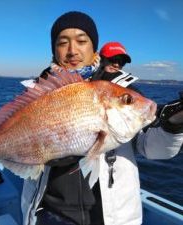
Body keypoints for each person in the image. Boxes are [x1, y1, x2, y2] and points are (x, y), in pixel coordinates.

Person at [21, 11, 183, 225]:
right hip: (48, 211)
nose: (72, 51)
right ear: (54, 50)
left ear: (94, 50)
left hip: (109, 218)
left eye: (81, 41)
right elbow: (16, 141)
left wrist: (173, 125)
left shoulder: (121, 92)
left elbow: (153, 149)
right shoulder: (36, 94)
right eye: (62, 42)